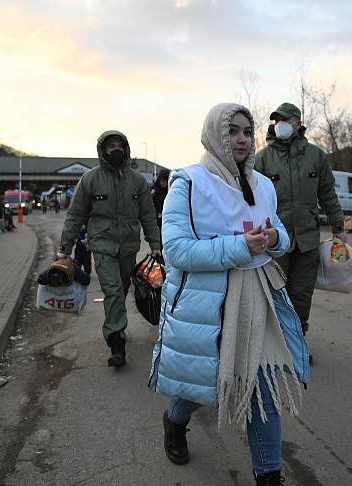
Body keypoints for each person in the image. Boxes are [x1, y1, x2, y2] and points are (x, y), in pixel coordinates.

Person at [148, 103, 309, 485]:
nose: (240, 139)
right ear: (215, 135)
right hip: (211, 301)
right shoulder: (188, 182)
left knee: (261, 388)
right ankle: (174, 420)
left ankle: (268, 477)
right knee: (203, 382)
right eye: (232, 131)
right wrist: (239, 248)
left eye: (245, 131)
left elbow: (281, 237)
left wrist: (274, 238)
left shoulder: (262, 184)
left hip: (259, 298)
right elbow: (178, 252)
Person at [60, 130, 161, 368]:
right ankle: (116, 342)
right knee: (114, 291)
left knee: (122, 289)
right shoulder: (90, 179)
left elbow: (147, 215)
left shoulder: (137, 181)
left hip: (128, 247)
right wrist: (66, 247)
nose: (115, 150)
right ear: (102, 151)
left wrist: (155, 244)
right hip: (102, 246)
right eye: (110, 146)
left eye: (119, 145)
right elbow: (75, 215)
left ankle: (118, 327)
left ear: (126, 149)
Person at [254, 102, 346, 340]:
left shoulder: (315, 156)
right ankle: (274, 343)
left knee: (302, 293)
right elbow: (250, 199)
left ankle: (297, 342)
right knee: (275, 290)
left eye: (284, 120)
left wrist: (338, 228)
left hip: (307, 239)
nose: (279, 125)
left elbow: (327, 194)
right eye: (276, 120)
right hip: (275, 240)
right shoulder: (262, 159)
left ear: (297, 123)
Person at [150, 168, 170, 234]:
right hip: (155, 219)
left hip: (167, 220)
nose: (162, 183)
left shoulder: (170, 191)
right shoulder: (155, 189)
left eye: (164, 181)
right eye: (161, 181)